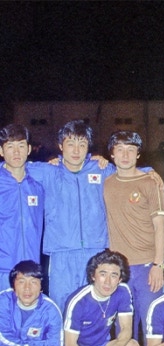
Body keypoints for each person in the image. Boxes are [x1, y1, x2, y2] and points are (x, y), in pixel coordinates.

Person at [26, 121, 116, 311]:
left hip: (95, 251)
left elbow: (129, 173)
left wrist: (149, 172)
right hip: (61, 253)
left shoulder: (101, 169)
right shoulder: (49, 171)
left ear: (88, 147)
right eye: (70, 144)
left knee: (94, 307)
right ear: (61, 146)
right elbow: (14, 167)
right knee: (62, 306)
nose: (76, 150)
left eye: (82, 144)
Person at [103, 130, 164, 342]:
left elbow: (160, 226)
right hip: (120, 269)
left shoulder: (150, 183)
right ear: (112, 154)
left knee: (151, 326)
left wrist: (158, 264)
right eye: (120, 150)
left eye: (131, 150)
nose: (125, 155)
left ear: (138, 154)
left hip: (148, 266)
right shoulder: (106, 183)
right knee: (123, 328)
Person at [0, 125, 45, 290]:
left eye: (21, 146)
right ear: (1, 151)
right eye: (10, 147)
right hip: (3, 269)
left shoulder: (39, 182)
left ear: (29, 149)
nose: (16, 152)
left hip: (31, 269)